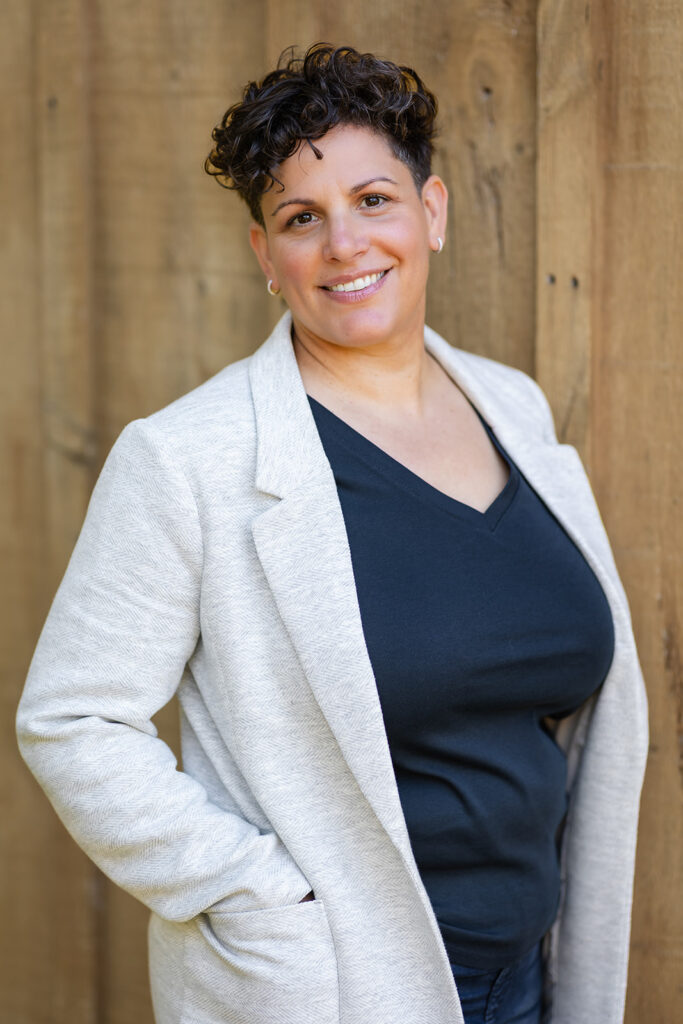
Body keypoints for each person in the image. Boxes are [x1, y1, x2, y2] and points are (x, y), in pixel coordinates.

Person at [16, 43, 648, 1024]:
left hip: (531, 974)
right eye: (300, 218)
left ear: (431, 212)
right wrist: (257, 896)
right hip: (341, 985)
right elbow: (72, 720)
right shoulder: (188, 458)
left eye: (372, 200)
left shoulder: (512, 409)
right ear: (265, 257)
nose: (344, 243)